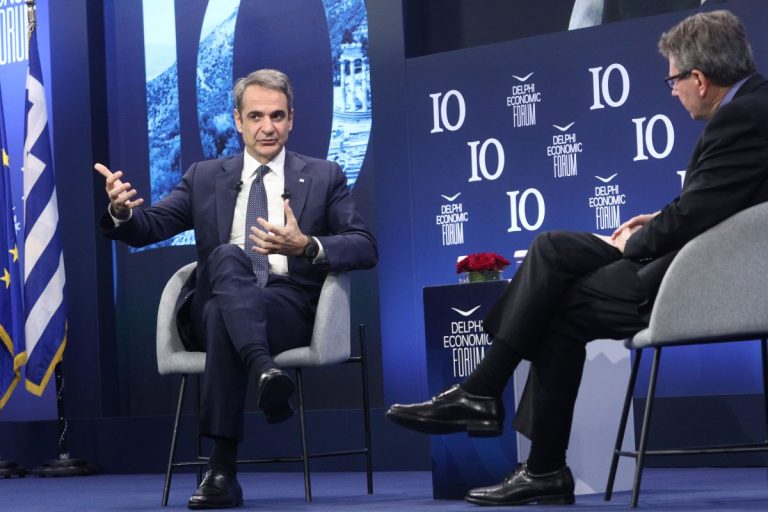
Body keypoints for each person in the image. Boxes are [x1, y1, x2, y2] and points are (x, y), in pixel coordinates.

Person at [387, 10, 768, 507]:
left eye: (673, 79)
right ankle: (493, 408)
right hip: (691, 262)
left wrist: (634, 243)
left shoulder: (745, 116)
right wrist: (656, 219)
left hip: (692, 282)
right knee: (551, 249)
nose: (672, 91)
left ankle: (516, 434)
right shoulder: (751, 107)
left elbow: (699, 214)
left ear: (699, 78)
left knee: (555, 302)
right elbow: (720, 202)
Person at [95, 69, 377, 509]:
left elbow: (364, 245)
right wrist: (121, 212)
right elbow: (151, 226)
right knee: (228, 257)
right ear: (238, 120)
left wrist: (306, 245)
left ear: (292, 119)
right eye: (256, 116)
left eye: (277, 116)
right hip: (216, 296)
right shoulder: (204, 176)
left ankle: (222, 470)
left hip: (284, 305)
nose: (268, 127)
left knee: (224, 316)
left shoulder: (324, 176)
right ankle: (263, 368)